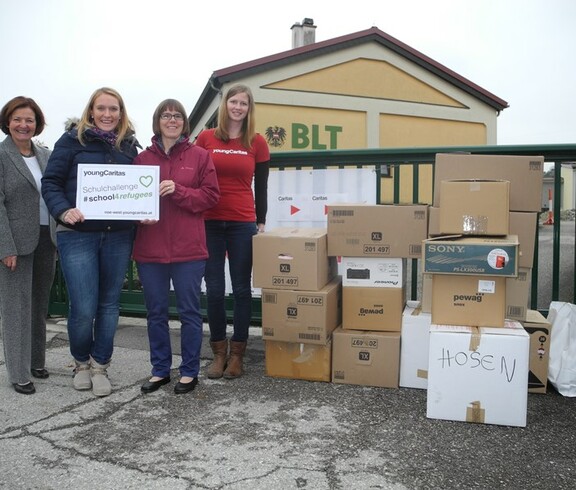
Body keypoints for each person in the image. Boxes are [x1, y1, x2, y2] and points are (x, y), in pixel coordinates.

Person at [41, 87, 140, 397]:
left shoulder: (129, 147)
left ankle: (100, 365)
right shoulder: (72, 141)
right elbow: (51, 182)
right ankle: (81, 362)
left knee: (109, 304)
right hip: (78, 235)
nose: (108, 114)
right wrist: (62, 210)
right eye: (102, 108)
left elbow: (135, 190)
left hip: (118, 235)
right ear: (91, 111)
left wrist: (142, 209)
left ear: (121, 113)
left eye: (114, 109)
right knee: (83, 307)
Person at [133, 99, 219, 395]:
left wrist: (179, 190)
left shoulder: (199, 156)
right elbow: (132, 201)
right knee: (155, 312)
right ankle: (160, 370)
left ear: (184, 122)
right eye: (166, 115)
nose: (172, 120)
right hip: (150, 249)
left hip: (189, 250)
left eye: (177, 116)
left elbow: (210, 197)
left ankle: (189, 371)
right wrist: (137, 216)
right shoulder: (142, 159)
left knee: (189, 312)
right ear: (157, 121)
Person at [195, 84, 270, 379]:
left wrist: (260, 220)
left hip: (241, 222)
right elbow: (196, 176)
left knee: (241, 290)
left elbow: (261, 185)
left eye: (244, 103)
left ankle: (237, 355)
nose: (238, 107)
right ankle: (218, 353)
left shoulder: (258, 142)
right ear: (224, 105)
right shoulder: (205, 138)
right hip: (209, 221)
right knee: (213, 290)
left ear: (249, 109)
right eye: (233, 102)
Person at [0, 96, 57, 395]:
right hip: (15, 244)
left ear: (37, 124)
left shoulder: (45, 156)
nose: (24, 124)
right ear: (7, 122)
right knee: (15, 308)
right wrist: (5, 246)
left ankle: (36, 361)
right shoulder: (1, 155)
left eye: (29, 120)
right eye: (18, 119)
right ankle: (18, 373)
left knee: (38, 305)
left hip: (46, 238)